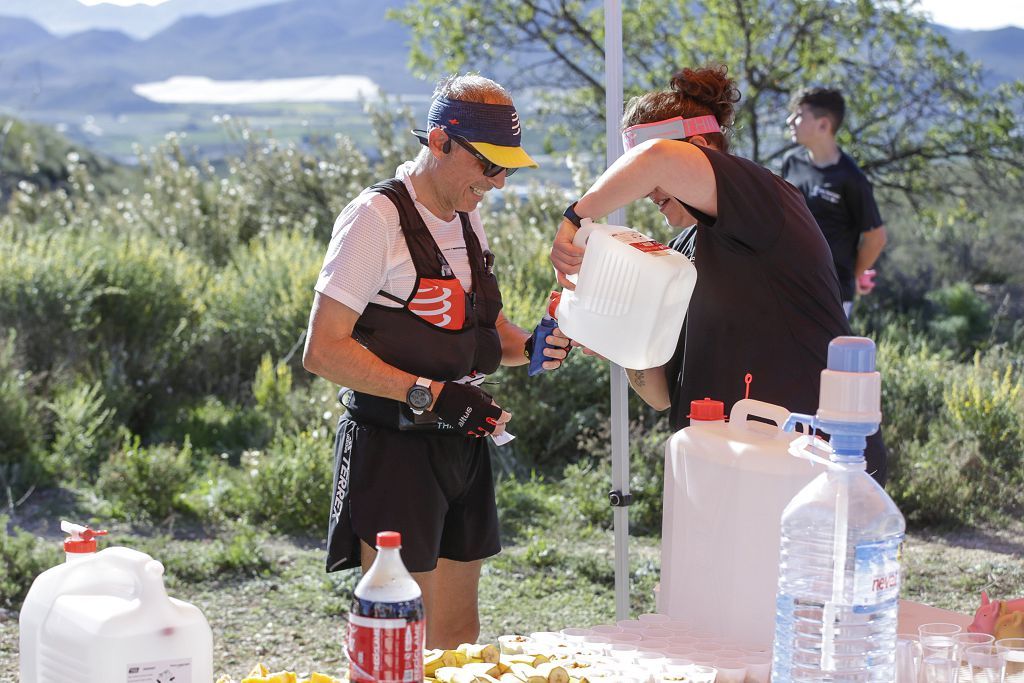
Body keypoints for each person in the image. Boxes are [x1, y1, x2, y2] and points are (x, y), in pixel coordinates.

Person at [303, 73, 571, 648]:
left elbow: (486, 329)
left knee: (457, 638)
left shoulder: (465, 211)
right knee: (398, 635)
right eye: (489, 165)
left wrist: (534, 345)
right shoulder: (374, 218)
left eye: (508, 169)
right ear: (440, 140)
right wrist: (429, 392)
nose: (498, 182)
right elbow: (323, 349)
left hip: (463, 441)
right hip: (394, 445)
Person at [550, 66, 886, 482]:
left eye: (639, 167)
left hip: (810, 465)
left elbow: (656, 161)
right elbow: (660, 395)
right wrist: (616, 336)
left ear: (702, 148)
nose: (650, 192)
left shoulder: (766, 199)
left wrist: (575, 217)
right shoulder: (678, 255)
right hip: (726, 474)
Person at [783, 87, 887, 318]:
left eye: (799, 115)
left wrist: (852, 275)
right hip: (788, 284)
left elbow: (876, 238)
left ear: (823, 125)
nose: (790, 120)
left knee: (820, 356)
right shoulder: (792, 162)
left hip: (830, 295)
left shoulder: (852, 179)